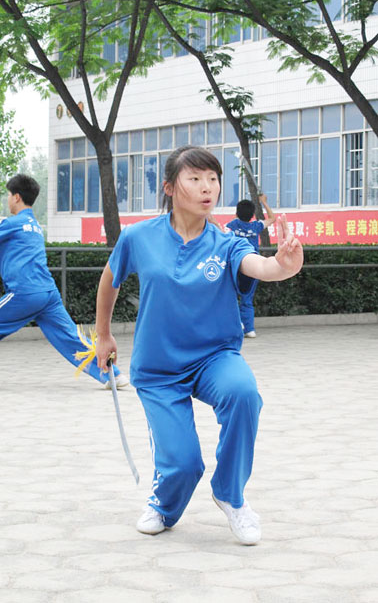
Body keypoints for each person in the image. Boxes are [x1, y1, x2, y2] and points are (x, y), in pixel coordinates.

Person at [95, 147, 303, 545]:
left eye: (213, 179)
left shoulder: (225, 242)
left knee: (244, 394)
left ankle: (230, 493)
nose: (207, 187)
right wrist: (103, 335)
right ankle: (165, 504)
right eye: (195, 179)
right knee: (185, 463)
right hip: (159, 369)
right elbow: (111, 279)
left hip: (214, 357)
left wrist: (284, 266)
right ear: (171, 188)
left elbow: (260, 266)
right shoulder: (139, 237)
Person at [0, 174, 128, 392]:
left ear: (17, 197)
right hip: (48, 295)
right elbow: (2, 255)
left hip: (24, 293)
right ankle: (114, 375)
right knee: (70, 338)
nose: (7, 199)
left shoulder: (12, 222)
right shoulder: (34, 226)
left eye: (9, 195)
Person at [225, 195, 276, 338]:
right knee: (247, 298)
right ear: (253, 215)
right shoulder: (256, 226)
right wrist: (264, 202)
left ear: (236, 213)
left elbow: (222, 237)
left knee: (231, 297)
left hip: (235, 266)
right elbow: (272, 219)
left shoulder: (232, 226)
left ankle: (236, 325)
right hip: (253, 266)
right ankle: (249, 329)